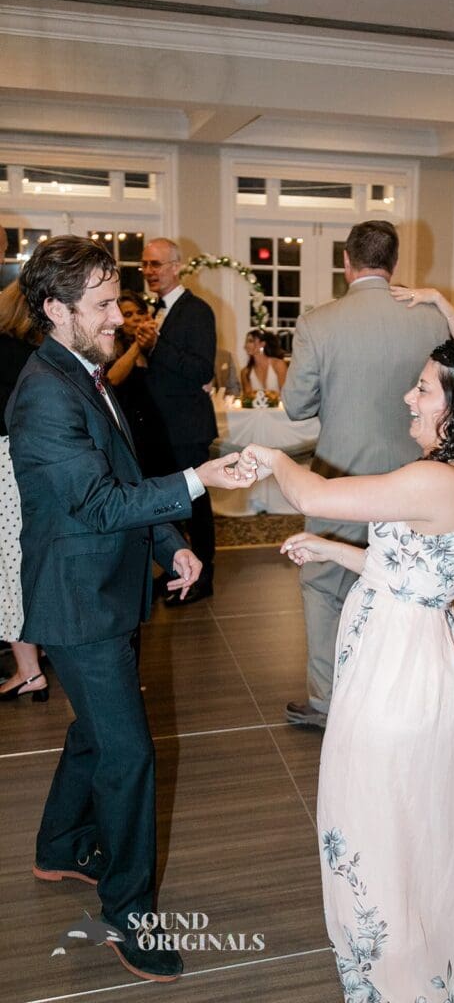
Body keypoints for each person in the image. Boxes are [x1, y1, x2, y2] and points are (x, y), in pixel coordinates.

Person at [235, 339, 454, 1001]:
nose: (409, 396)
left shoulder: (434, 480)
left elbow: (315, 490)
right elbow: (414, 575)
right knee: (419, 827)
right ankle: (427, 971)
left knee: (378, 830)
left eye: (424, 388)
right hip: (424, 652)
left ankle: (397, 983)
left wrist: (272, 457)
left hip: (400, 674)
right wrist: (332, 550)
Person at [8, 235, 253, 983]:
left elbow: (121, 475)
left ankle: (59, 847)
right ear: (55, 309)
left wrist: (170, 546)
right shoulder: (44, 392)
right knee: (128, 754)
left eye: (118, 299)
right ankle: (127, 913)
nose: (121, 316)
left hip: (107, 587)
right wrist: (197, 482)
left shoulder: (82, 370)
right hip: (78, 600)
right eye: (104, 304)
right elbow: (95, 501)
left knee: (96, 733)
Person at [281, 219, 454, 729]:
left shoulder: (319, 322)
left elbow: (295, 406)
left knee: (323, 584)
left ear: (346, 261)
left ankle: (328, 701)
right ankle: (397, 699)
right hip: (418, 482)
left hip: (341, 479)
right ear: (394, 263)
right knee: (405, 587)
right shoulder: (431, 320)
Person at [142, 237, 218, 606]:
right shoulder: (152, 310)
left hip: (187, 429)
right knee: (166, 504)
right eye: (145, 264)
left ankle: (204, 578)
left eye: (155, 264)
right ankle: (176, 572)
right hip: (158, 429)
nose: (148, 271)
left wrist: (157, 345)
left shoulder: (197, 311)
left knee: (196, 506)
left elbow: (202, 369)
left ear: (176, 267)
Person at [0, 275, 46, 702]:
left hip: (3, 462)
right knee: (25, 555)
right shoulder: (38, 356)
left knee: (8, 566)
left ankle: (29, 670)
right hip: (28, 460)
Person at [106, 290, 162, 475]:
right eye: (128, 314)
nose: (136, 318)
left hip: (155, 423)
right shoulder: (111, 347)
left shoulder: (153, 346)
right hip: (129, 426)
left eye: (140, 312)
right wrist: (138, 344)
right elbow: (112, 379)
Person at [240, 328, 287, 395]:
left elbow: (286, 394)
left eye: (250, 341)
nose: (245, 346)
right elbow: (248, 398)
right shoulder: (245, 372)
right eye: (246, 342)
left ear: (262, 344)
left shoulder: (278, 365)